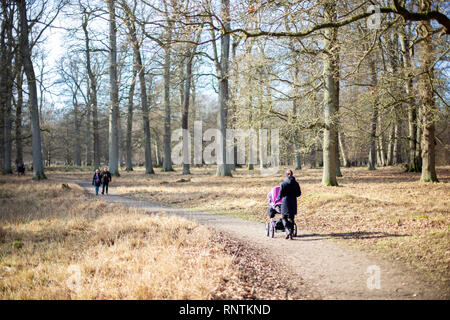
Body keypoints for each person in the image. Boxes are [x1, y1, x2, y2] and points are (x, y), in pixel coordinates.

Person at [276, 169, 301, 240]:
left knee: (284, 217)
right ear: (292, 174)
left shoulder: (283, 183)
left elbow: (280, 194)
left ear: (286, 175)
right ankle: (291, 232)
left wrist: (277, 199)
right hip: (293, 201)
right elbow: (299, 194)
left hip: (285, 202)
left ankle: (287, 230)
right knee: (291, 218)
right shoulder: (296, 183)